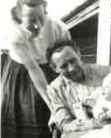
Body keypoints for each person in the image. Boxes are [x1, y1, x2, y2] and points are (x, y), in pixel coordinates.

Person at [1, 0, 71, 138]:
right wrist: (54, 108)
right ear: (20, 18)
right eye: (30, 20)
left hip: (53, 71)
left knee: (59, 123)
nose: (37, 25)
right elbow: (33, 69)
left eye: (41, 18)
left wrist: (59, 108)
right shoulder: (14, 33)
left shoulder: (59, 28)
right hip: (22, 74)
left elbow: (67, 65)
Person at [46, 40, 111, 138]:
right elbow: (66, 126)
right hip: (81, 132)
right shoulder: (55, 89)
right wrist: (92, 124)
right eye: (64, 66)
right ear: (55, 68)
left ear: (78, 54)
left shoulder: (105, 72)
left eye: (73, 60)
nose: (71, 68)